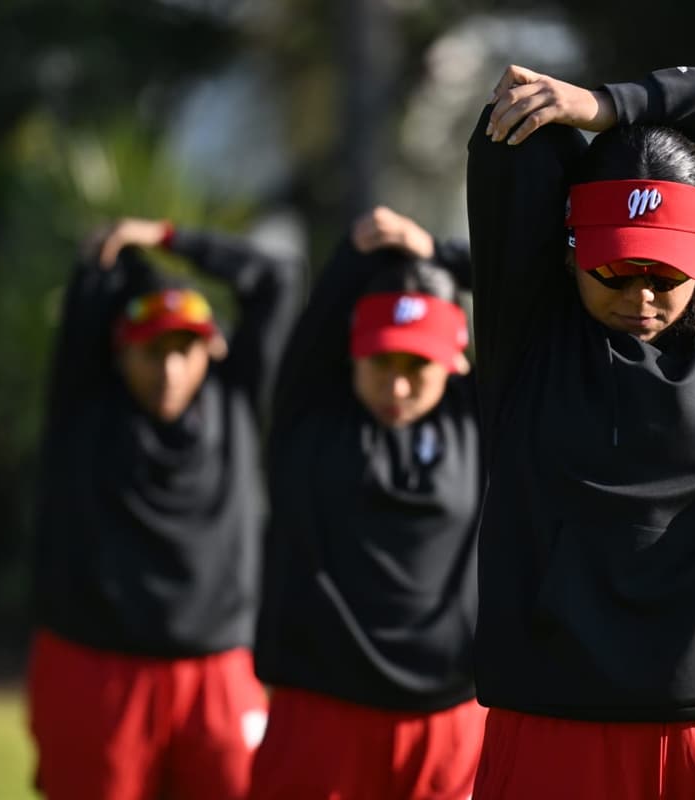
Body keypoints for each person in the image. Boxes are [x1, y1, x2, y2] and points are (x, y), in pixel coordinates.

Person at [465, 64, 695, 798]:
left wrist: (614, 107)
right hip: (555, 734)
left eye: (665, 275)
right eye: (614, 269)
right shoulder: (531, 336)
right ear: (572, 250)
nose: (640, 297)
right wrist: (589, 137)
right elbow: (510, 137)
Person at [26, 217, 301, 800]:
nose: (170, 370)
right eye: (153, 350)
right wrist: (117, 259)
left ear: (212, 346)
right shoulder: (86, 406)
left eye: (185, 348)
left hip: (218, 672)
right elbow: (92, 288)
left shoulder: (234, 398)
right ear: (120, 350)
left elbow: (275, 278)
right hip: (96, 671)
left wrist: (168, 238)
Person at [248, 206, 485, 800]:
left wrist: (438, 252)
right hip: (322, 719)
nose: (397, 385)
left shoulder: (479, 418)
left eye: (417, 364)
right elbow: (317, 323)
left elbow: (543, 294)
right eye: (382, 359)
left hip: (449, 724)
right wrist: (357, 252)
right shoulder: (311, 417)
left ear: (455, 359)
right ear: (353, 352)